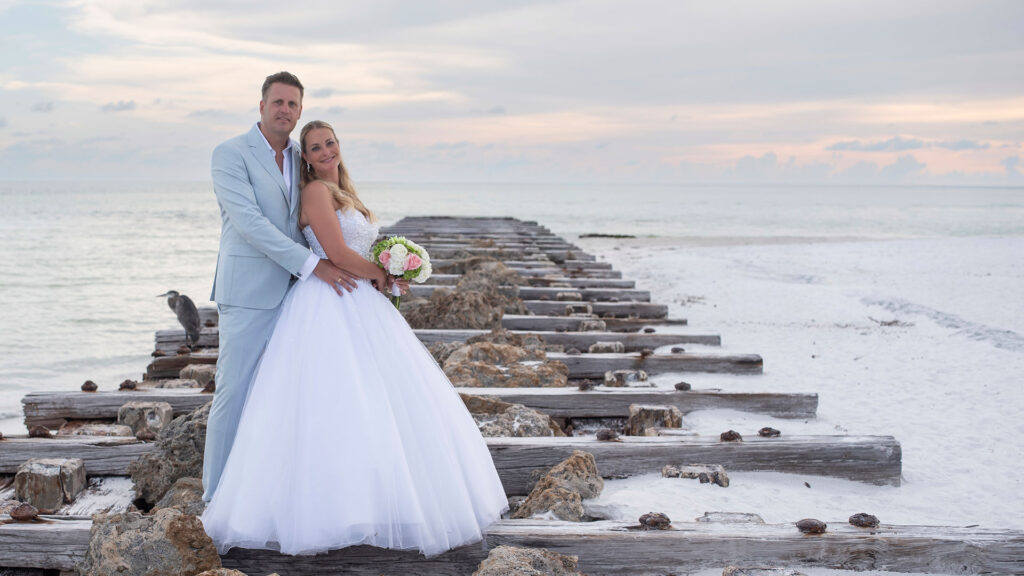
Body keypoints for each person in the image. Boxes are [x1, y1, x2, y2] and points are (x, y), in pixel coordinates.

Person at [200, 119, 509, 557]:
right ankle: (304, 504)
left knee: (374, 400)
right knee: (333, 402)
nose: (325, 151)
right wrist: (384, 273)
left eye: (330, 143)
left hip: (356, 298)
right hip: (328, 299)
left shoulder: (344, 191)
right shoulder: (315, 192)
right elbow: (340, 253)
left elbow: (356, 250)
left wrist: (389, 275)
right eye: (315, 147)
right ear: (304, 157)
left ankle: (375, 498)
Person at [204, 72, 359, 504]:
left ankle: (265, 491)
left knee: (281, 394)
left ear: (300, 111)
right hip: (250, 291)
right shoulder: (230, 154)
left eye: (293, 104)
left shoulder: (301, 155)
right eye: (278, 102)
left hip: (296, 296)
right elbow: (249, 223)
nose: (285, 110)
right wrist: (316, 266)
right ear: (261, 106)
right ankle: (215, 498)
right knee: (234, 392)